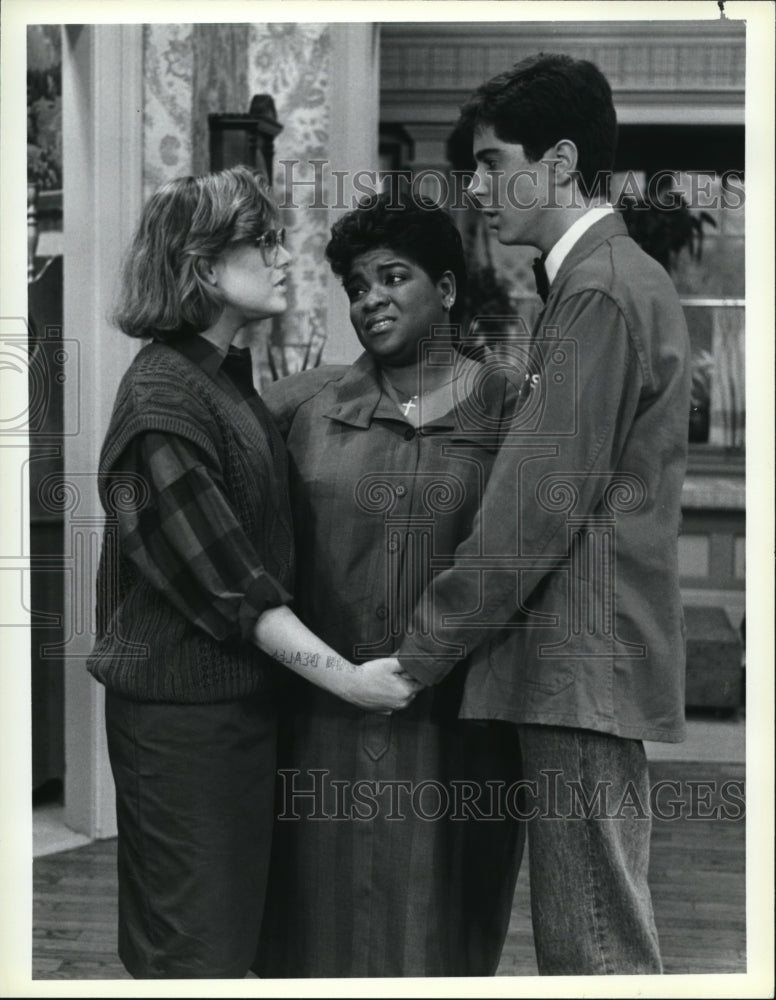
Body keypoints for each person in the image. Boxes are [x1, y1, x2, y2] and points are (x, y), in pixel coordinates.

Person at [394, 54, 692, 975]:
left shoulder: (599, 288)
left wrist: (421, 652)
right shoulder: (605, 279)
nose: (477, 187)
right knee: (596, 928)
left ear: (558, 162)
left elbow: (532, 509)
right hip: (584, 662)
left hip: (575, 664)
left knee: (594, 946)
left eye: (491, 162)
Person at [86, 166, 415, 979]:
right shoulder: (163, 404)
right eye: (259, 242)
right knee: (193, 953)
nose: (281, 256)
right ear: (202, 269)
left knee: (228, 944)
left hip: (229, 716)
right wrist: (352, 682)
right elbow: (235, 593)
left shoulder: (219, 381)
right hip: (183, 729)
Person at [255, 192, 525, 978]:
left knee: (444, 931)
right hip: (322, 724)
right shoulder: (302, 406)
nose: (369, 299)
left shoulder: (509, 409)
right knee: (316, 934)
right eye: (356, 286)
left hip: (459, 729)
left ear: (445, 289)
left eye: (392, 277)